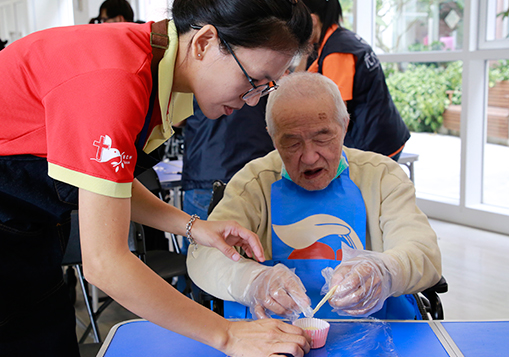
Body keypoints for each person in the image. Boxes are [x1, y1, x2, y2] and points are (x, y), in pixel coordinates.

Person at [0, 1, 313, 356]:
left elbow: (106, 181)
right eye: (253, 80)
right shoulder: (116, 76)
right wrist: (228, 334)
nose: (253, 99)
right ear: (205, 42)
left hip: (20, 229)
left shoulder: (153, 68)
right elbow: (105, 263)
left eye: (266, 88)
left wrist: (194, 226)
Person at [187, 72, 442, 321]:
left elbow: (423, 252)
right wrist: (253, 281)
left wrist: (385, 271)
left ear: (344, 125)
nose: (309, 157)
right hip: (272, 335)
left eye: (323, 138)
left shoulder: (382, 176)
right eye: (292, 143)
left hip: (378, 332)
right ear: (272, 137)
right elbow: (203, 255)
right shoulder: (254, 183)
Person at [298, 0, 410, 161]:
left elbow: (337, 112)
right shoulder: (337, 40)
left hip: (375, 142)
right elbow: (299, 81)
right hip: (384, 131)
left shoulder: (336, 53)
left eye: (298, 22)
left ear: (313, 20)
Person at [182, 96, 274, 221]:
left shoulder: (197, 78)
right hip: (256, 172)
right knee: (255, 238)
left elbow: (175, 119)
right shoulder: (261, 80)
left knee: (201, 237)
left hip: (206, 172)